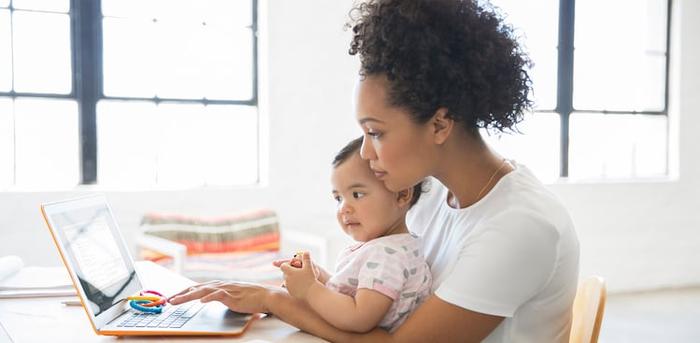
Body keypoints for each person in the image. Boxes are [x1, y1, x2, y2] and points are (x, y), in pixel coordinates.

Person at [168, 0, 580, 342]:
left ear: (439, 124)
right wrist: (296, 289)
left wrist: (274, 301)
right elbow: (390, 298)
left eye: (375, 132)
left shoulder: (518, 226)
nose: (366, 152)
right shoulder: (432, 195)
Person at [277, 137, 432, 333]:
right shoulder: (396, 247)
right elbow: (355, 293)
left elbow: (359, 318)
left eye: (357, 194)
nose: (344, 208)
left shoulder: (387, 254)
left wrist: (309, 289)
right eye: (338, 198)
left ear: (401, 194)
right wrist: (319, 277)